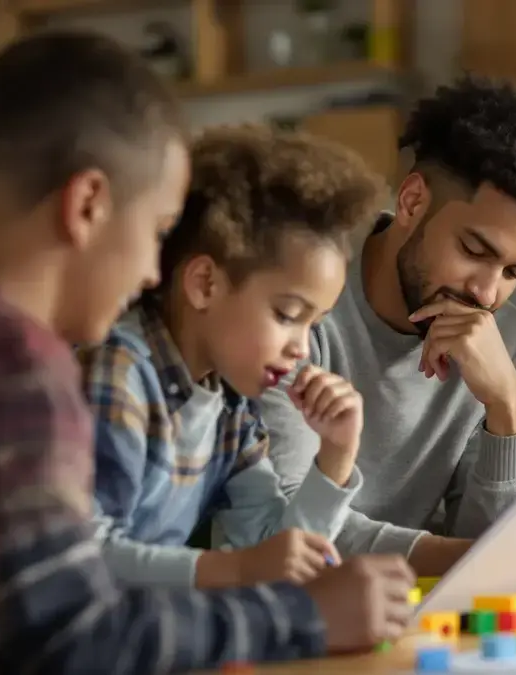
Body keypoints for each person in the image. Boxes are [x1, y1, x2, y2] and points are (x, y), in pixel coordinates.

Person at [0, 31, 412, 672]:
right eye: (159, 231)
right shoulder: (15, 369)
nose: (150, 270)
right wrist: (304, 617)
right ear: (87, 205)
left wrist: (331, 468)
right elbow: (70, 632)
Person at [257, 74, 516, 595]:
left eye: (514, 272)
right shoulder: (298, 307)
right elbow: (288, 529)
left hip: (417, 615)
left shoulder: (499, 337)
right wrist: (511, 560)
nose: (487, 293)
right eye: (474, 250)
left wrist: (507, 409)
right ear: (412, 201)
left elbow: (487, 554)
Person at [76, 124, 385, 589]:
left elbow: (271, 552)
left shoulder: (230, 407)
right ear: (205, 284)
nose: (302, 348)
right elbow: (83, 556)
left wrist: (336, 456)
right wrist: (234, 570)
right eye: (287, 315)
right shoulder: (119, 374)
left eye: (313, 324)